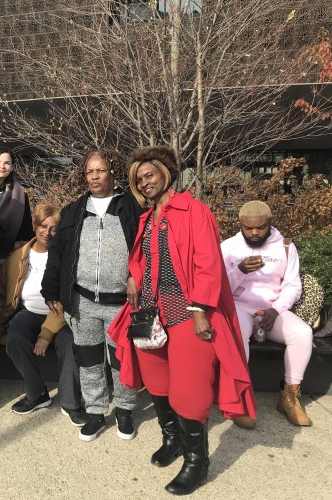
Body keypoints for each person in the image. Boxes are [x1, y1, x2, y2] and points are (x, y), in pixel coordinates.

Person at [108, 146, 256, 496]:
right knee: (158, 384)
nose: (145, 182)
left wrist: (201, 310)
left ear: (165, 172)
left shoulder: (194, 210)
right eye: (138, 179)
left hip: (186, 313)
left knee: (189, 391)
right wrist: (133, 276)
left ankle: (197, 462)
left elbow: (208, 263)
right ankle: (172, 438)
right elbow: (144, 259)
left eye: (150, 175)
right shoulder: (148, 217)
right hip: (149, 312)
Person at [42, 149, 142, 441]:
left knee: (122, 360)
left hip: (120, 304)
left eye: (100, 171)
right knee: (88, 360)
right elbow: (57, 254)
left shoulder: (131, 207)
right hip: (82, 301)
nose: (94, 176)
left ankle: (124, 409)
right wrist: (51, 289)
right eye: (89, 172)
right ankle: (96, 412)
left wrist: (137, 277)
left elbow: (145, 250)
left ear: (112, 172)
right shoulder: (74, 210)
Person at [221, 200, 313, 426]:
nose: (253, 233)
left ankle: (289, 397)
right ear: (240, 224)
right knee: (237, 334)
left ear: (269, 223)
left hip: (272, 308)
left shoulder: (286, 246)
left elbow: (293, 286)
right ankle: (240, 400)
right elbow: (220, 288)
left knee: (302, 333)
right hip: (238, 306)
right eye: (248, 228)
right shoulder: (229, 247)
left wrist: (276, 309)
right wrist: (239, 271)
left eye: (259, 227)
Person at [0, 203, 84, 426]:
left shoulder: (67, 257)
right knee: (15, 337)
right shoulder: (19, 256)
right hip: (29, 311)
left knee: (69, 343)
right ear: (35, 226)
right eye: (43, 226)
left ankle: (70, 402)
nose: (47, 232)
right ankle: (37, 394)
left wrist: (46, 334)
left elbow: (68, 296)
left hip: (60, 317)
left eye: (54, 228)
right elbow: (3, 289)